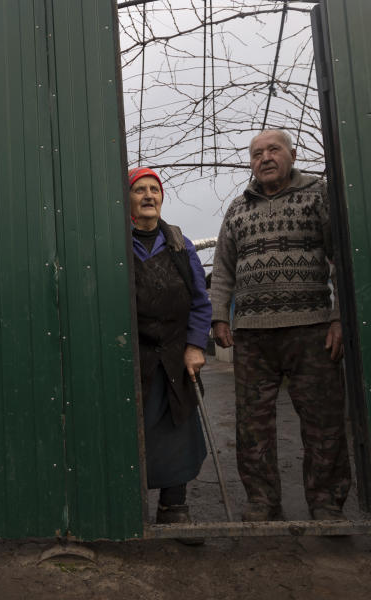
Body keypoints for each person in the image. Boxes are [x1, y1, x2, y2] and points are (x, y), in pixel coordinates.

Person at [210, 129, 350, 522]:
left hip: (312, 330)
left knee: (323, 422)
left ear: (292, 153)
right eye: (257, 153)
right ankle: (262, 502)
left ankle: (326, 503)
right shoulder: (238, 209)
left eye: (273, 150)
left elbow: (340, 256)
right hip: (253, 335)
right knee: (252, 426)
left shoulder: (319, 194)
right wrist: (221, 316)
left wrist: (339, 317)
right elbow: (222, 267)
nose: (265, 158)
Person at [128, 166, 212, 533]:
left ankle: (173, 507)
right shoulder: (116, 241)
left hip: (175, 355)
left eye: (154, 189)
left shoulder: (180, 243)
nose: (149, 195)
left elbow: (200, 300)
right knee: (131, 431)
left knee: (177, 429)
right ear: (126, 199)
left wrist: (195, 345)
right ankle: (128, 508)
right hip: (133, 354)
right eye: (139, 189)